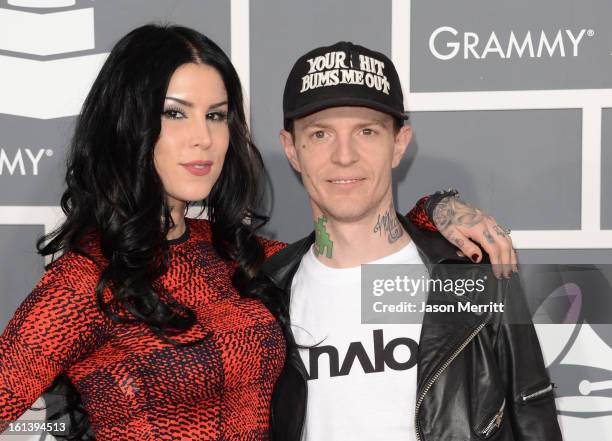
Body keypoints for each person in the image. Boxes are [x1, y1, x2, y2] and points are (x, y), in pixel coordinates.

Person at [0, 26, 511, 440]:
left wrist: (439, 209)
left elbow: (353, 236)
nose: (202, 137)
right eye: (174, 114)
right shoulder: (83, 282)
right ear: (128, 124)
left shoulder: (237, 255)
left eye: (216, 116)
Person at [263, 41, 562, 441]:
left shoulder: (478, 276)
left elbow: (533, 419)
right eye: (320, 134)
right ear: (291, 150)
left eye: (366, 131)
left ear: (399, 144)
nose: (344, 155)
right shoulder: (262, 294)